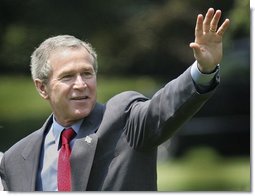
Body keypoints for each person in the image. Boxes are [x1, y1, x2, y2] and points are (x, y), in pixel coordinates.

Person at [0, 8, 230, 191]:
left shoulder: (124, 119)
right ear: (42, 88)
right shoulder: (15, 159)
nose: (81, 84)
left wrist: (204, 69)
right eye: (68, 77)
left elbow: (165, 105)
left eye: (87, 73)